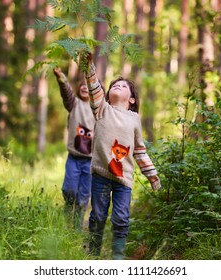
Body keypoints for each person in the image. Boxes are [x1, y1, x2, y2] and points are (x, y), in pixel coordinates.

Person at [79, 52, 161, 260]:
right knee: (97, 216)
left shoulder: (134, 119)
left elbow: (140, 150)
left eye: (123, 86)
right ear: (107, 95)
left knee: (121, 218)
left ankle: (118, 256)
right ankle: (94, 254)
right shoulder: (102, 109)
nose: (118, 86)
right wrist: (88, 67)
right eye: (114, 85)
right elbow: (94, 87)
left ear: (132, 99)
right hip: (101, 174)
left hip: (124, 179)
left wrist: (152, 176)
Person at [53, 67, 96, 231]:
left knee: (84, 195)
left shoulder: (98, 109)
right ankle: (67, 212)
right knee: (69, 190)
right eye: (82, 84)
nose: (85, 86)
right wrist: (61, 79)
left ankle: (77, 226)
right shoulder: (74, 104)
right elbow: (66, 93)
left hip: (90, 161)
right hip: (74, 157)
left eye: (89, 85)